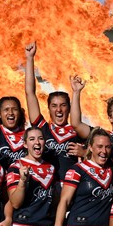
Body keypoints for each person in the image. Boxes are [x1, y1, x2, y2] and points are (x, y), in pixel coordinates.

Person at [4, 127, 61, 226]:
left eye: (40, 138)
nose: (37, 142)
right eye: (32, 139)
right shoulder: (16, 167)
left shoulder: (51, 168)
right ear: (24, 144)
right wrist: (23, 181)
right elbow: (15, 203)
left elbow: (55, 201)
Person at [24, 42, 84, 180]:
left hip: (72, 189)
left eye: (63, 105)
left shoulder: (78, 131)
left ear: (69, 108)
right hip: (48, 189)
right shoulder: (42, 129)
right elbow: (30, 93)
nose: (59, 110)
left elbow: (98, 152)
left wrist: (85, 152)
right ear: (48, 108)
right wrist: (29, 59)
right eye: (54, 106)